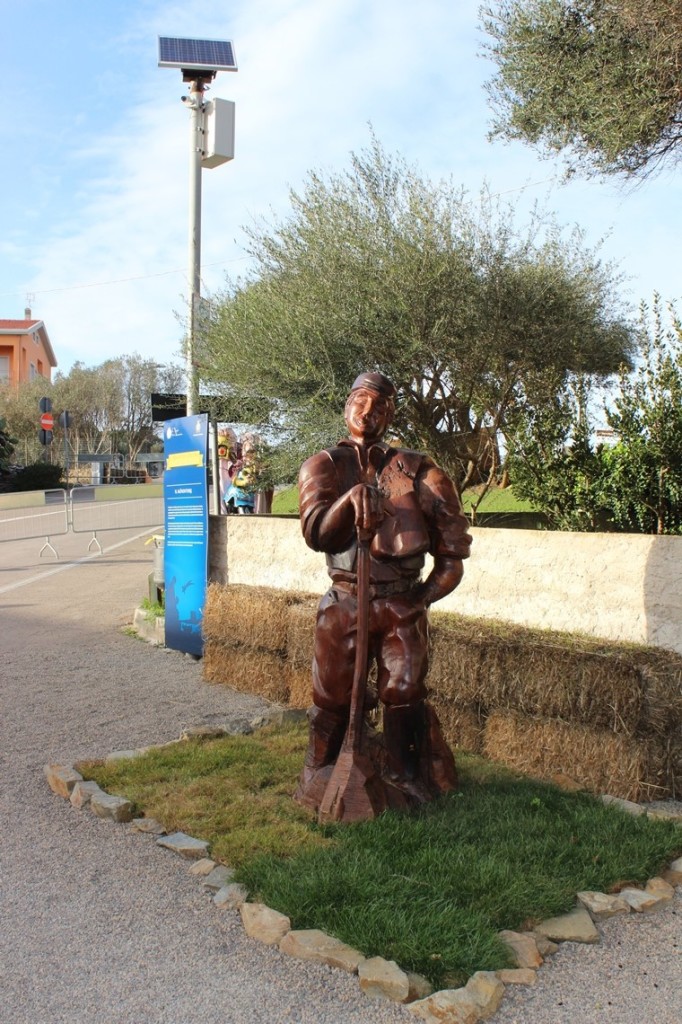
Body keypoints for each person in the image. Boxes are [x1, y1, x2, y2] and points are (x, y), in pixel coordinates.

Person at [296, 370, 472, 811]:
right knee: (331, 691)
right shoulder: (324, 464)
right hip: (346, 598)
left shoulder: (421, 471)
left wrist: (418, 601)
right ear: (347, 405)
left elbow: (452, 558)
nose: (368, 412)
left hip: (400, 599)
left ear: (392, 414)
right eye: (360, 401)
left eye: (380, 405)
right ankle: (318, 768)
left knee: (405, 688)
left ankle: (406, 775)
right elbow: (316, 531)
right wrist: (349, 500)